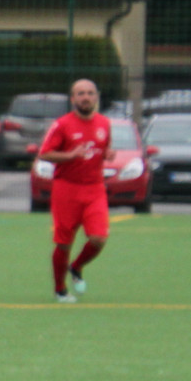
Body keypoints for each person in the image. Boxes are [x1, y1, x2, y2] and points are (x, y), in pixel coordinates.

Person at [36, 78, 113, 303]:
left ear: (96, 97)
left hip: (95, 189)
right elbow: (44, 153)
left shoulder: (104, 123)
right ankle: (60, 289)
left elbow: (104, 148)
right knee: (63, 243)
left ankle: (77, 266)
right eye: (81, 94)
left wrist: (108, 154)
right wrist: (70, 156)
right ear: (73, 99)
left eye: (90, 93)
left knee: (99, 238)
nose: (86, 97)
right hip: (66, 189)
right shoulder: (62, 125)